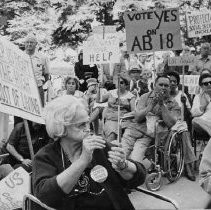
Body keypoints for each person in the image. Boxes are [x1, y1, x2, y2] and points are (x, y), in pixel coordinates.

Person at [32, 95, 146, 210]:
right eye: (81, 125)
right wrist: (83, 161)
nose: (88, 128)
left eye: (88, 122)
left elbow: (139, 178)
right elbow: (45, 197)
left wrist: (124, 166)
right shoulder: (45, 156)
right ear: (62, 128)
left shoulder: (99, 146)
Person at [121, 75, 180, 168]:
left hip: (148, 136)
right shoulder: (145, 96)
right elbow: (137, 118)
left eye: (166, 86)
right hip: (132, 131)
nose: (163, 88)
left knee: (134, 161)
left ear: (169, 88)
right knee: (120, 156)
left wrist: (161, 105)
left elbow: (171, 123)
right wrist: (150, 106)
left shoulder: (173, 103)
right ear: (154, 85)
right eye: (161, 85)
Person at [167, 71, 196, 181]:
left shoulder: (182, 95)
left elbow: (190, 114)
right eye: (170, 81)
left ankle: (188, 166)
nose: (172, 83)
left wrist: (184, 103)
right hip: (167, 122)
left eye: (175, 81)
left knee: (184, 134)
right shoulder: (164, 94)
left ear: (177, 83)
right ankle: (171, 164)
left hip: (180, 122)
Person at [103, 76, 136, 142]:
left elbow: (134, 111)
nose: (119, 84)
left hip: (124, 120)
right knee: (111, 136)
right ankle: (109, 151)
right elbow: (99, 100)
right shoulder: (111, 93)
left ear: (126, 85)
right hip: (111, 119)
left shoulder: (130, 96)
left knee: (126, 137)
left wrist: (124, 116)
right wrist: (99, 89)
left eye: (121, 83)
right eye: (118, 82)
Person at [24, 34, 49, 106]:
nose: (29, 44)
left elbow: (46, 74)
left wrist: (39, 83)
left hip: (38, 88)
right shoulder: (19, 55)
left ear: (36, 44)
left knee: (39, 110)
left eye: (31, 42)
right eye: (27, 42)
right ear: (24, 43)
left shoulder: (42, 58)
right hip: (23, 87)